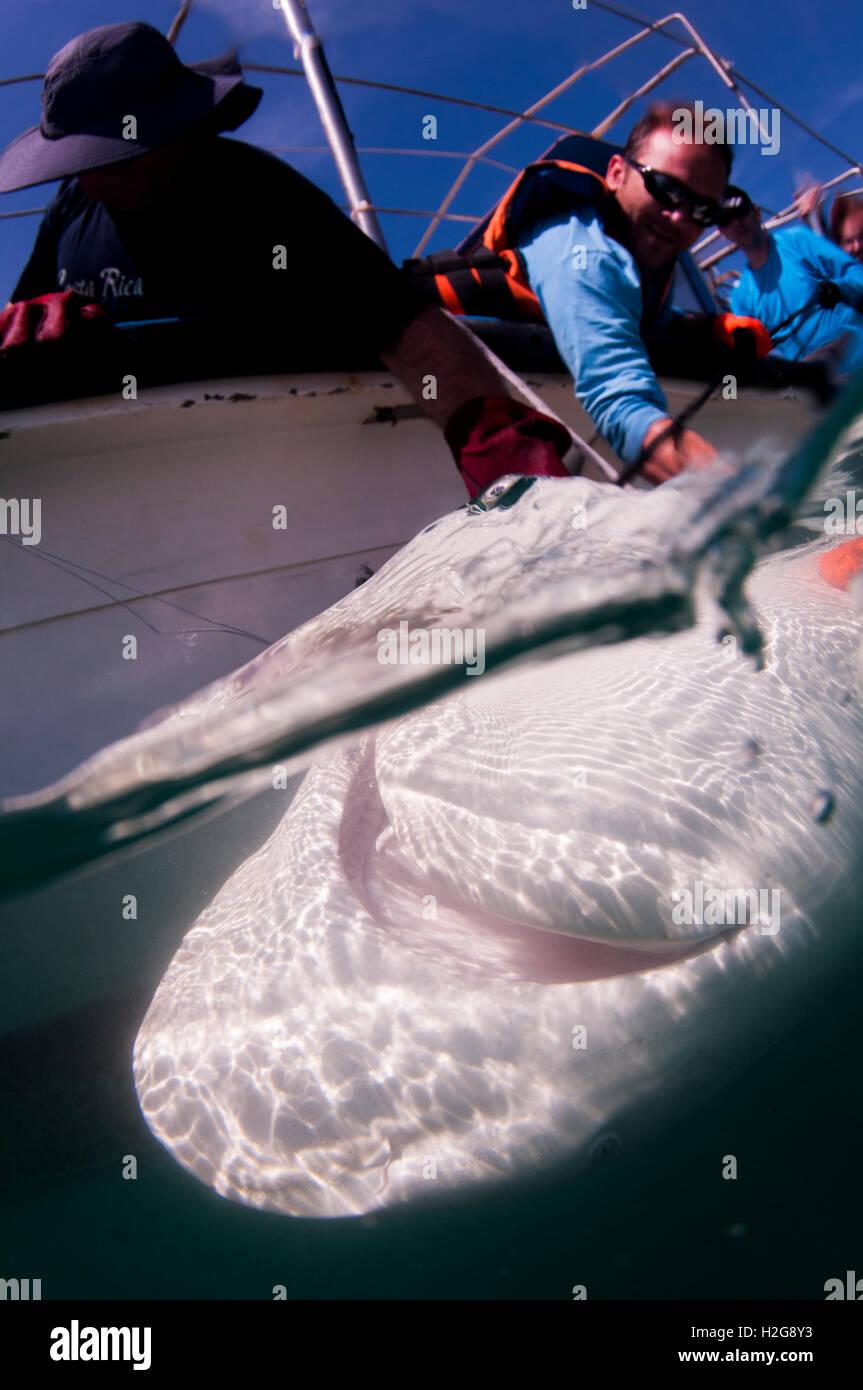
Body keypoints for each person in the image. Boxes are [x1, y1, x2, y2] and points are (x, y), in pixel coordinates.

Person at [0, 21, 574, 497]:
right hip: (81, 463)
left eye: (120, 159)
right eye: (83, 163)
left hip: (243, 462)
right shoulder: (71, 207)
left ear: (180, 129)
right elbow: (19, 316)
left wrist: (496, 448)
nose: (102, 181)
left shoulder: (259, 193)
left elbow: (399, 322)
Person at [410, 101, 775, 485]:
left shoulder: (646, 253)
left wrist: (713, 325)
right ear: (616, 173)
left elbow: (651, 320)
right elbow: (621, 406)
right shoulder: (587, 255)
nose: (679, 217)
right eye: (666, 188)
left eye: (703, 210)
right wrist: (733, 489)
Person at [720, 185, 863, 381]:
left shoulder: (797, 240)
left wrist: (840, 288)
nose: (736, 222)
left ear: (757, 213)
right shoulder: (740, 299)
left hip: (853, 354)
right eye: (726, 220)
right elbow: (753, 358)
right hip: (811, 380)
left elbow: (857, 274)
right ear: (722, 233)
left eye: (740, 212)